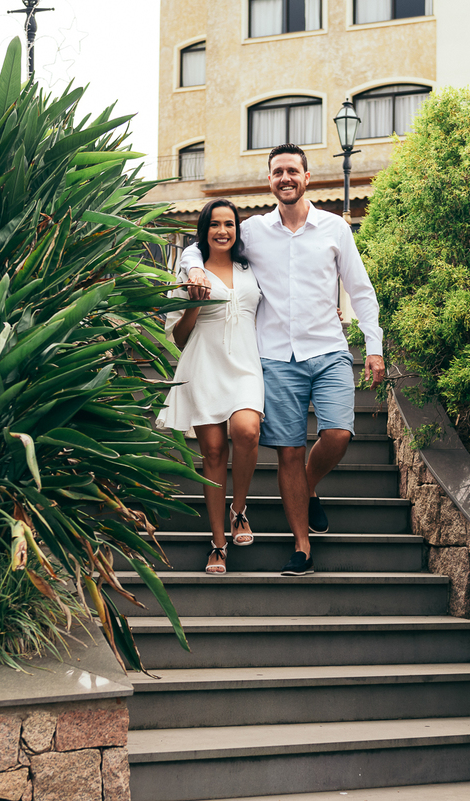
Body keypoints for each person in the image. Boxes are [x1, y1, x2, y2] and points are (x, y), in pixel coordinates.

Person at [180, 143, 385, 577]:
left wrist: (374, 346)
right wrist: (193, 267)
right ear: (269, 180)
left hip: (328, 349)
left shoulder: (335, 228)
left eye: (293, 171)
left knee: (338, 434)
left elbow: (361, 289)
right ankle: (301, 547)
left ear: (306, 177)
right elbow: (205, 243)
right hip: (274, 355)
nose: (285, 178)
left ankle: (306, 487)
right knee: (288, 451)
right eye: (278, 172)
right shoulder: (254, 231)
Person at [157, 199, 263, 575]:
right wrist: (194, 304)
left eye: (229, 224)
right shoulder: (191, 273)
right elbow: (179, 338)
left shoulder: (251, 267)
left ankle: (239, 510)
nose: (222, 231)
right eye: (215, 224)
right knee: (214, 453)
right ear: (204, 231)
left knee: (247, 431)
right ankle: (218, 542)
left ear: (237, 229)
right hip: (203, 365)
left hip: (246, 364)